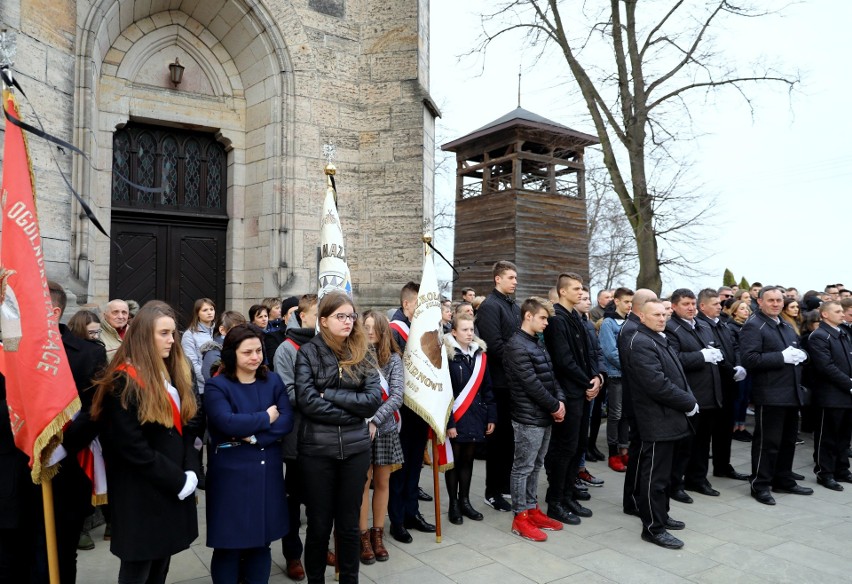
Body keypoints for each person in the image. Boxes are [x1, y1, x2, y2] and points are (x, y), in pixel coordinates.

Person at [90, 301, 201, 584]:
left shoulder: (172, 371)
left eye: (173, 333)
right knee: (138, 571)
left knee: (161, 567)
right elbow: (132, 448)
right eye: (164, 333)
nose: (171, 340)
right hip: (141, 494)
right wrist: (177, 480)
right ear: (143, 336)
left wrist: (190, 469)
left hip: (170, 486)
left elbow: (187, 426)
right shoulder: (122, 382)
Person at [294, 292, 382, 584]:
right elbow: (306, 401)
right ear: (323, 320)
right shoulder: (308, 352)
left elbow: (371, 401)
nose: (348, 321)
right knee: (319, 525)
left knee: (348, 525)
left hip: (356, 451)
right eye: (340, 316)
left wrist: (329, 394)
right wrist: (352, 410)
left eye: (351, 316)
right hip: (318, 451)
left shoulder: (363, 352)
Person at [204, 324, 294, 583]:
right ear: (232, 354)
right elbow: (226, 422)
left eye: (258, 351)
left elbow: (286, 420)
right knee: (229, 545)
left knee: (260, 543)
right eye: (247, 352)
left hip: (266, 472)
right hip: (231, 475)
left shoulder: (272, 380)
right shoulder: (217, 386)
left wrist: (253, 435)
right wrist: (266, 416)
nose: (255, 357)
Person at [42, 282, 109, 583]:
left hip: (65, 471)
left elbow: (95, 409)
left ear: (53, 310)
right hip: (13, 477)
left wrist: (58, 445)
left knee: (62, 554)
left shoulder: (87, 354)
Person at [622, 300, 697, 550]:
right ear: (641, 316)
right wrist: (687, 401)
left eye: (664, 314)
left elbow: (675, 374)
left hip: (669, 417)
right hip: (655, 420)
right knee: (654, 477)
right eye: (656, 314)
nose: (662, 318)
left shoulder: (656, 337)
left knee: (663, 476)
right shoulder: (641, 342)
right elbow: (656, 383)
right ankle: (653, 528)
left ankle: (661, 516)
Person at [740, 286, 812, 505]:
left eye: (779, 300)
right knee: (767, 443)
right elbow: (749, 359)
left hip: (790, 392)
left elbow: (797, 349)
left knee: (788, 440)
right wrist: (781, 357)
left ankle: (783, 479)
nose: (776, 304)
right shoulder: (754, 325)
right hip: (770, 393)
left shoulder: (785, 324)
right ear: (760, 302)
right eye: (770, 300)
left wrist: (803, 354)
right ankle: (760, 484)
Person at [542, 273, 602, 525]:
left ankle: (567, 495)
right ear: (563, 291)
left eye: (582, 288)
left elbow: (586, 355)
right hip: (569, 393)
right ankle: (555, 501)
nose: (581, 292)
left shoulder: (576, 317)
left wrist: (598, 377)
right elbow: (564, 361)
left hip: (582, 390)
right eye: (576, 289)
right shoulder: (557, 320)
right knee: (564, 448)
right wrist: (588, 381)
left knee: (577, 446)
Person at [504, 297, 565, 541]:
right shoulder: (517, 345)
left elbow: (551, 375)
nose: (546, 323)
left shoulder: (536, 342)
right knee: (523, 467)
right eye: (542, 318)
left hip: (544, 414)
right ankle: (520, 517)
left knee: (536, 465)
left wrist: (560, 401)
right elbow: (531, 384)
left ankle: (531, 508)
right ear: (528, 316)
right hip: (528, 416)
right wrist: (554, 406)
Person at [273, 294, 318, 580]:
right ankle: (292, 554)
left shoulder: (325, 345)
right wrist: (324, 397)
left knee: (320, 500)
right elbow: (289, 394)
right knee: (293, 500)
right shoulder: (286, 350)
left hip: (324, 436)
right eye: (317, 314)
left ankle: (318, 546)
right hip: (299, 438)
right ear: (303, 316)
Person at [387, 281, 436, 543]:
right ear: (407, 304)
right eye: (420, 302)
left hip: (418, 410)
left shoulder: (419, 328)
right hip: (401, 412)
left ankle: (411, 512)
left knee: (415, 465)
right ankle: (397, 519)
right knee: (400, 468)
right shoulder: (395, 331)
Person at [664, 289, 724, 502]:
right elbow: (674, 359)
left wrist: (715, 354)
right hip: (690, 394)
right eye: (685, 304)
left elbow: (712, 349)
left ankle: (697, 479)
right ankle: (675, 484)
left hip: (709, 394)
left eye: (692, 303)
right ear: (674, 306)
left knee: (702, 442)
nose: (691, 308)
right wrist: (701, 356)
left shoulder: (703, 325)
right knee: (684, 445)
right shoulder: (671, 328)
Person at [358, 311, 405, 564]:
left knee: (383, 483)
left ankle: (378, 534)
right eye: (365, 326)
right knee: (362, 484)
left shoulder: (394, 358)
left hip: (384, 429)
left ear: (383, 329)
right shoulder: (356, 355)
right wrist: (367, 420)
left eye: (374, 326)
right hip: (361, 430)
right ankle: (363, 536)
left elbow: (397, 395)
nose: (370, 331)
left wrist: (376, 419)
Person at [476, 260, 522, 512]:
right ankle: (491, 492)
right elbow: (494, 345)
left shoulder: (512, 306)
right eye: (511, 277)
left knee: (509, 441)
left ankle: (504, 485)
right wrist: (521, 362)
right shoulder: (491, 307)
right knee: (497, 442)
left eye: (516, 278)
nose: (515, 282)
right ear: (498, 279)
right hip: (499, 383)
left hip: (514, 382)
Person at [443, 313, 496, 525]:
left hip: (475, 416)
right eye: (464, 330)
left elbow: (487, 388)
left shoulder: (480, 355)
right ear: (453, 332)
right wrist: (449, 423)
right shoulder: (446, 355)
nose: (469, 333)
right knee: (453, 463)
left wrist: (491, 415)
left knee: (468, 461)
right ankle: (453, 504)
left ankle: (465, 501)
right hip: (456, 418)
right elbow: (443, 392)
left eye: (471, 329)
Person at [695, 289, 750, 482]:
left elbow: (734, 347)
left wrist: (739, 365)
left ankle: (723, 466)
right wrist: (731, 370)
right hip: (712, 386)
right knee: (704, 435)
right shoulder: (700, 325)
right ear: (702, 306)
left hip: (729, 384)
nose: (720, 306)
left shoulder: (723, 325)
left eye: (720, 303)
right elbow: (714, 353)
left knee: (725, 431)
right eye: (715, 304)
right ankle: (698, 476)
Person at [615, 289, 658, 517]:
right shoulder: (632, 330)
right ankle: (633, 500)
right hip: (637, 401)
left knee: (640, 452)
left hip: (637, 400)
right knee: (639, 453)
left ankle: (636, 498)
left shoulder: (634, 327)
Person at [808, 301, 852, 490]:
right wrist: (849, 384)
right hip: (830, 395)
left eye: (842, 311)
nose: (842, 314)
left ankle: (842, 469)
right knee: (827, 436)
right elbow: (826, 367)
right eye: (837, 311)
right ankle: (824, 473)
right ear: (825, 314)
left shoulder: (843, 333)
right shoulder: (819, 336)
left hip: (846, 395)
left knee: (844, 436)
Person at [599, 287, 634, 472]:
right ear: (617, 301)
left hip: (629, 376)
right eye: (626, 301)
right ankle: (613, 453)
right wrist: (631, 366)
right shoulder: (608, 323)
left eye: (631, 302)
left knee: (626, 414)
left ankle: (624, 449)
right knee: (615, 414)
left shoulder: (630, 322)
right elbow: (611, 352)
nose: (629, 305)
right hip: (616, 375)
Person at [725, 299, 753, 441]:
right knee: (738, 398)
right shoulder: (731, 327)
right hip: (740, 367)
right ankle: (734, 427)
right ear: (734, 311)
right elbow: (735, 348)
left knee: (745, 398)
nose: (746, 311)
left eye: (747, 308)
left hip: (750, 367)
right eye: (742, 308)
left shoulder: (748, 326)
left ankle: (742, 426)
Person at [181, 298, 216, 395]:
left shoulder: (219, 331)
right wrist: (209, 380)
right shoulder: (190, 334)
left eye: (211, 309)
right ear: (197, 313)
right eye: (205, 310)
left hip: (221, 385)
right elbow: (191, 363)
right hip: (202, 388)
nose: (209, 312)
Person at [201, 311, 248, 383]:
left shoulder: (238, 348)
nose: (242, 333)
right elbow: (214, 382)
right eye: (237, 329)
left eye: (244, 329)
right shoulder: (213, 353)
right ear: (222, 330)